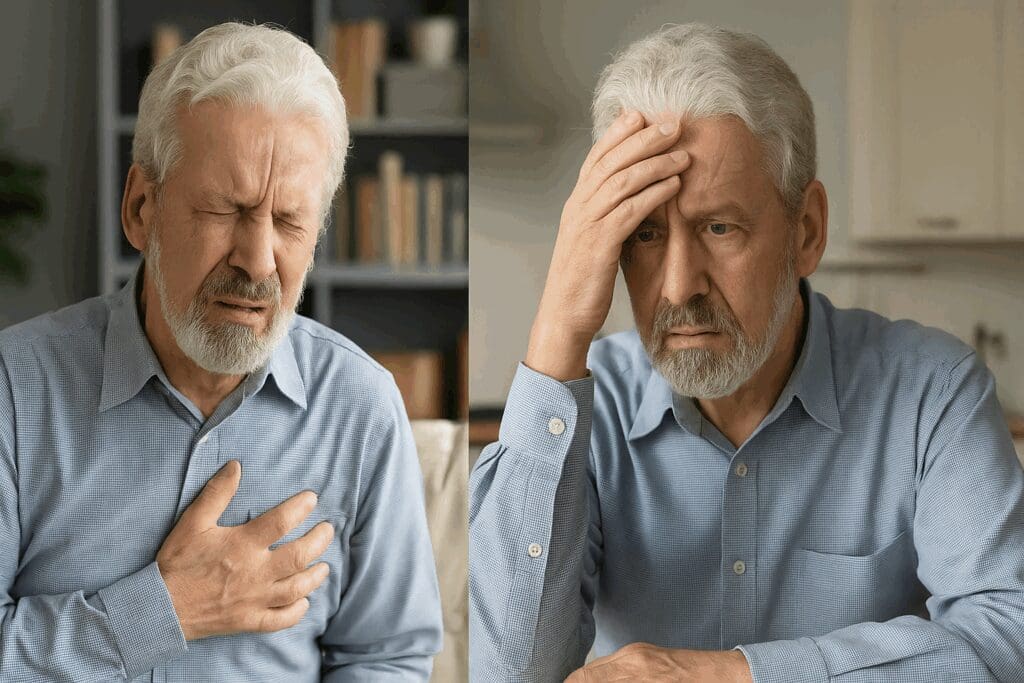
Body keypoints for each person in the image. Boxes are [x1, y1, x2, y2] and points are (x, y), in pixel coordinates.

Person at [469, 23, 1024, 682]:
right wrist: (558, 326)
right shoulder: (586, 412)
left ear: (806, 231)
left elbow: (1005, 638)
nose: (678, 286)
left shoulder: (933, 392)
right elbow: (510, 671)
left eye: (719, 227)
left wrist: (732, 674)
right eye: (643, 234)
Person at [0, 23, 442, 681]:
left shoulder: (362, 405)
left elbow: (388, 655)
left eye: (290, 220)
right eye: (225, 210)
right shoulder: (15, 386)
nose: (258, 259)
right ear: (141, 207)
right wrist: (168, 607)